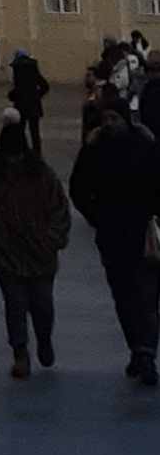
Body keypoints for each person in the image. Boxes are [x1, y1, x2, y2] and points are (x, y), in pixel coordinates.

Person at [0, 115, 72, 379]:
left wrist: (52, 238)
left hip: (40, 251)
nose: (13, 161)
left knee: (42, 305)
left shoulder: (42, 174)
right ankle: (20, 352)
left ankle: (44, 340)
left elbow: (60, 208)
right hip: (6, 250)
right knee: (15, 303)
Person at [69, 95, 160, 385]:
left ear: (125, 119)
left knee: (146, 297)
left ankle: (146, 353)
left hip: (143, 237)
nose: (109, 124)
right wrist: (97, 216)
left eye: (114, 119)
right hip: (111, 238)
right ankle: (137, 349)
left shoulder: (146, 150)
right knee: (123, 299)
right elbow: (78, 189)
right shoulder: (94, 152)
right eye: (105, 119)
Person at [8, 48, 50, 157]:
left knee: (19, 130)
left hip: (21, 105)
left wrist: (12, 96)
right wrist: (37, 96)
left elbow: (18, 88)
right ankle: (37, 154)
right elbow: (45, 86)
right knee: (35, 132)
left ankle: (21, 151)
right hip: (33, 105)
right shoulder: (33, 68)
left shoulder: (18, 69)